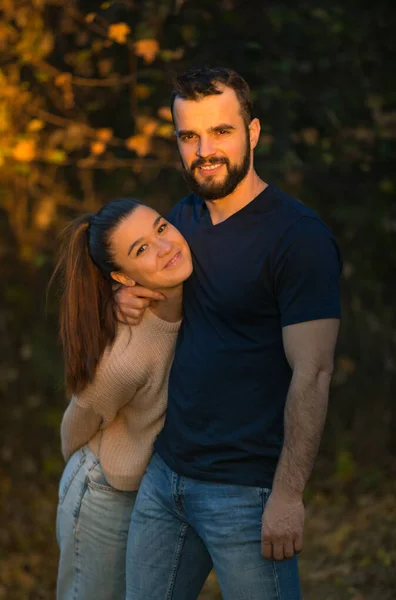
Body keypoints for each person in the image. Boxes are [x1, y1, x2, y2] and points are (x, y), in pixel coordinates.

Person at [118, 67, 342, 600]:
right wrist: (125, 297)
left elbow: (314, 371)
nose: (205, 151)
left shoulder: (298, 238)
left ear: (253, 132)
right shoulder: (179, 223)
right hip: (164, 477)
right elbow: (163, 319)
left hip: (245, 493)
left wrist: (288, 495)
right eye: (189, 136)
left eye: (221, 132)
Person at [52, 198, 210, 600]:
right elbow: (76, 427)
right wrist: (92, 464)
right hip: (105, 490)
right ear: (121, 277)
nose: (164, 247)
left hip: (160, 490)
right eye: (141, 249)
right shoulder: (125, 356)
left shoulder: (202, 290)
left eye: (160, 228)